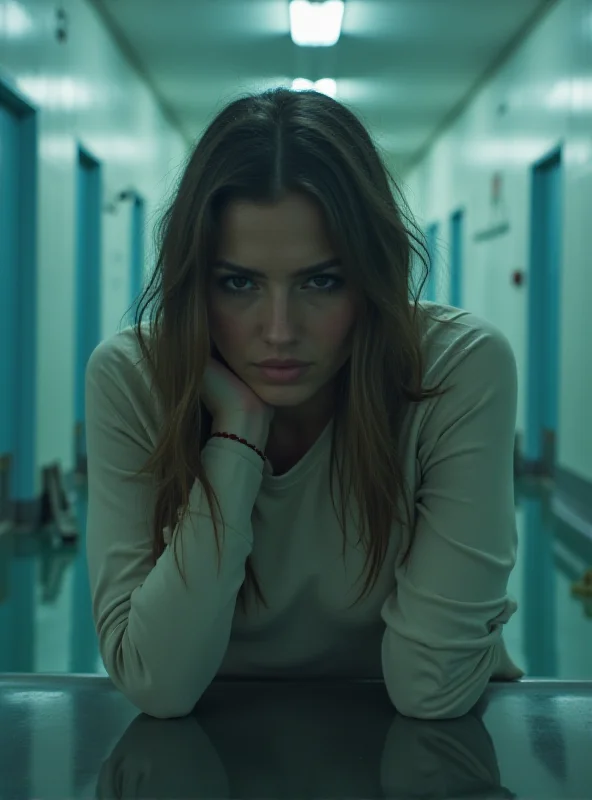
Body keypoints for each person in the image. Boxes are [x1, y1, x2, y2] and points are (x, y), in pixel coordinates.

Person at [85, 87, 524, 721]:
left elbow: (431, 688)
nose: (281, 330)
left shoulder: (456, 367)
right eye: (239, 283)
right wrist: (236, 437)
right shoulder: (133, 378)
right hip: (209, 744)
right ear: (196, 284)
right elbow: (157, 683)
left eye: (322, 280)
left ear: (371, 277)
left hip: (410, 745)